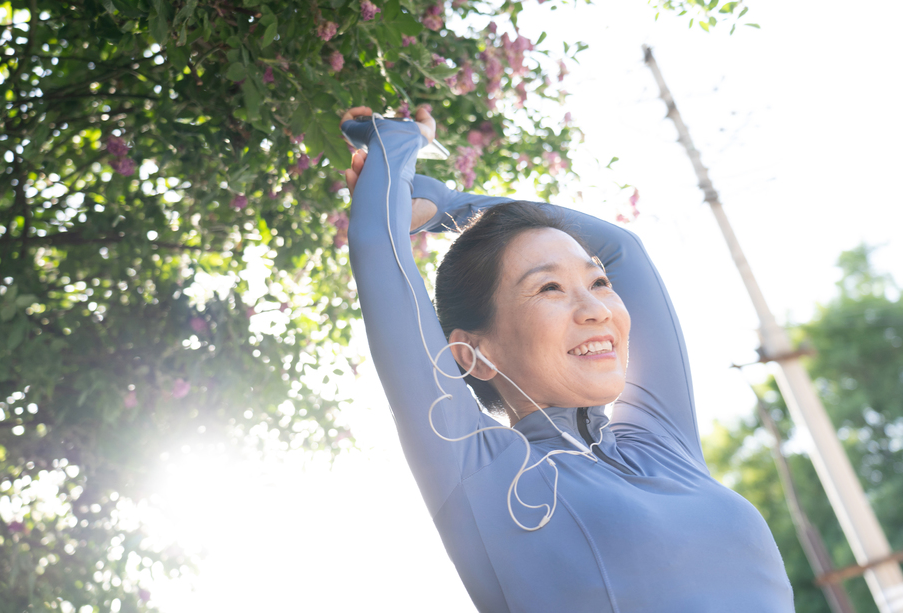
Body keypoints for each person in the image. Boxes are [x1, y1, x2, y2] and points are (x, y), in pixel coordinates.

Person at [339, 106, 794, 612]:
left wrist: (449, 206)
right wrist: (397, 144)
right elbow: (376, 242)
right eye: (549, 288)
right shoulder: (479, 470)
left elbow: (622, 248)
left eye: (598, 283)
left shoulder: (662, 444)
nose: (596, 309)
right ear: (474, 354)